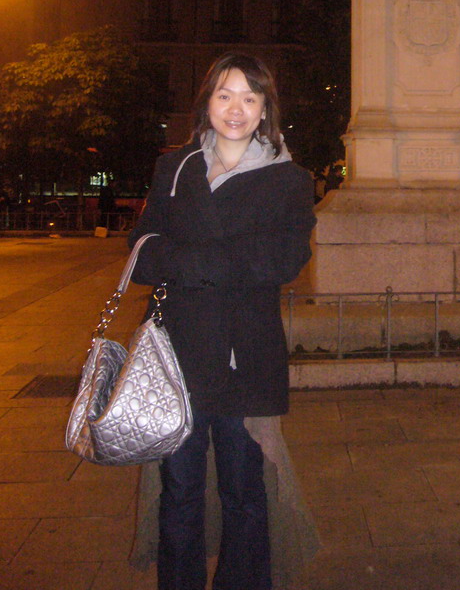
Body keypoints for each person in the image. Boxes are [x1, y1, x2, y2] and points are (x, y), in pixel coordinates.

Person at [128, 53, 317, 590]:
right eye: (225, 95)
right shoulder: (175, 168)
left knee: (244, 493)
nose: (236, 109)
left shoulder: (290, 180)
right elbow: (140, 252)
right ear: (207, 103)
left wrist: (189, 259)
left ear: (265, 111)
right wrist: (226, 260)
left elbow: (284, 260)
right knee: (180, 490)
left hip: (246, 359)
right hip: (176, 358)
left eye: (250, 98)